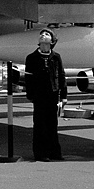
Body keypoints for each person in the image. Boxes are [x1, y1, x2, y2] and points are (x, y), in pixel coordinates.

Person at [23, 29, 67, 162]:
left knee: (52, 124)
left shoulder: (56, 57)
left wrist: (63, 96)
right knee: (39, 124)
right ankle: (41, 153)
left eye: (47, 34)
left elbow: (62, 76)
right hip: (39, 95)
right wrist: (30, 94)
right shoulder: (31, 58)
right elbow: (28, 78)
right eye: (42, 34)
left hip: (52, 94)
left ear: (52, 41)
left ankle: (54, 152)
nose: (43, 35)